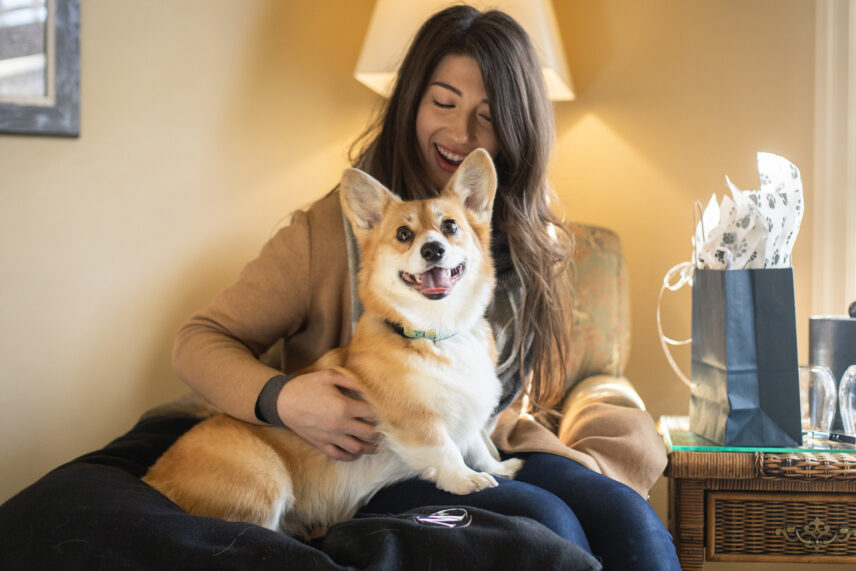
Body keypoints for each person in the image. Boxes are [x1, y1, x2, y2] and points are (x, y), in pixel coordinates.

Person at [0, 6, 680, 570]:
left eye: (489, 114)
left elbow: (524, 390)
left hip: (469, 438)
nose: (459, 130)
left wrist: (565, 446)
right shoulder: (332, 226)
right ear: (412, 99)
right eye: (443, 102)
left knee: (625, 519)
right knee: (546, 521)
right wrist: (282, 395)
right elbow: (198, 340)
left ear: (518, 128)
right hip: (352, 458)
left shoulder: (530, 239)